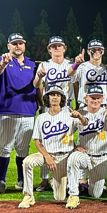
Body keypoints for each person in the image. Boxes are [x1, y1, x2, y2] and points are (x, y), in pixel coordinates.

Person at [18, 85, 85, 208]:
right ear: (47, 98)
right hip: (46, 155)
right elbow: (37, 141)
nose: (55, 97)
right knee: (27, 162)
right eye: (52, 94)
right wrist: (47, 157)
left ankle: (73, 196)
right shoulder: (41, 118)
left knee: (59, 197)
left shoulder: (69, 116)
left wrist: (80, 116)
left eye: (58, 95)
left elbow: (85, 124)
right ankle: (28, 196)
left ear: (62, 98)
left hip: (64, 157)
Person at [0, 33, 38, 194]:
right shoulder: (1, 59)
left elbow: (37, 87)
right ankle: (1, 181)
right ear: (8, 45)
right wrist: (3, 63)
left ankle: (21, 180)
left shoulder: (32, 64)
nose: (18, 46)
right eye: (14, 43)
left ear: (24, 45)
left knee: (23, 149)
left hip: (28, 112)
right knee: (4, 147)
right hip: (7, 110)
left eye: (20, 43)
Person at [33, 36, 75, 192]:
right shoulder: (44, 65)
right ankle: (44, 179)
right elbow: (36, 85)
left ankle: (67, 175)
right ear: (49, 49)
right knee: (47, 139)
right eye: (53, 46)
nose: (57, 48)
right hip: (49, 107)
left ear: (64, 48)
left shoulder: (70, 65)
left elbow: (75, 85)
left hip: (66, 106)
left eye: (59, 46)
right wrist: (39, 76)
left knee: (67, 139)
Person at [65, 84, 107, 209]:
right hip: (84, 155)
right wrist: (75, 146)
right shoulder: (79, 113)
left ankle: (85, 185)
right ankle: (73, 195)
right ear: (86, 98)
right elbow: (66, 133)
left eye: (98, 98)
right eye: (92, 97)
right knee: (73, 158)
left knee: (96, 194)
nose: (95, 100)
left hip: (100, 157)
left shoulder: (106, 113)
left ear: (102, 99)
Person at [68, 39, 107, 107]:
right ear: (88, 52)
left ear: (103, 51)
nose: (96, 52)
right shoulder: (82, 66)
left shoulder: (106, 69)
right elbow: (70, 74)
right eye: (93, 50)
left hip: (102, 106)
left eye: (99, 49)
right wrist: (76, 64)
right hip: (85, 105)